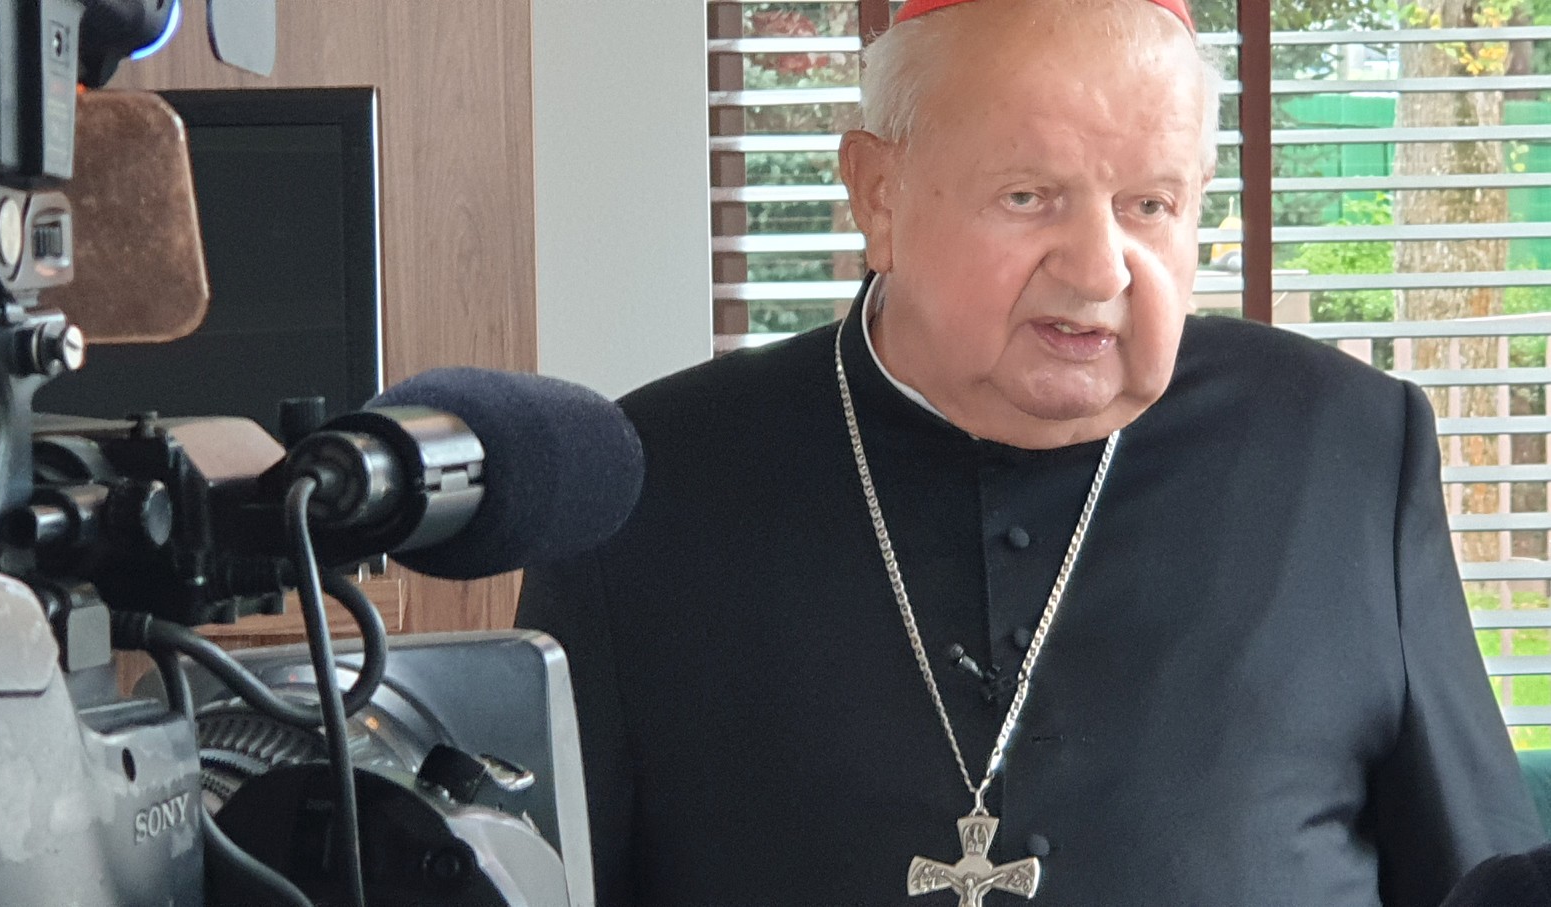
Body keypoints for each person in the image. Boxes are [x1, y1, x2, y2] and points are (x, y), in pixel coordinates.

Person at [516, 0, 1547, 903]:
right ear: (876, 191)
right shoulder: (639, 484)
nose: (1099, 269)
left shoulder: (1343, 448)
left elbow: (1478, 877)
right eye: (1028, 197)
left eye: (1150, 205)